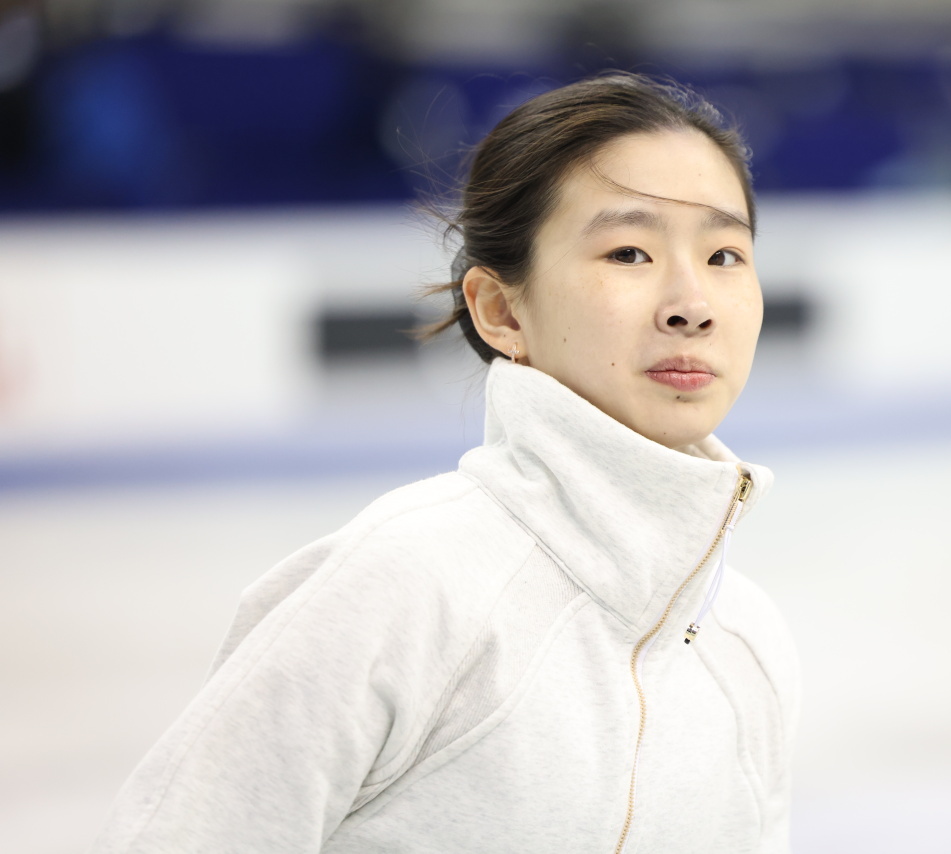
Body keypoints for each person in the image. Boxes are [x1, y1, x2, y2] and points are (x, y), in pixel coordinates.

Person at [90, 71, 800, 853]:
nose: (692, 304)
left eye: (725, 254)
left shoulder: (748, 641)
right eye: (629, 252)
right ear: (500, 309)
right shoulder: (398, 589)